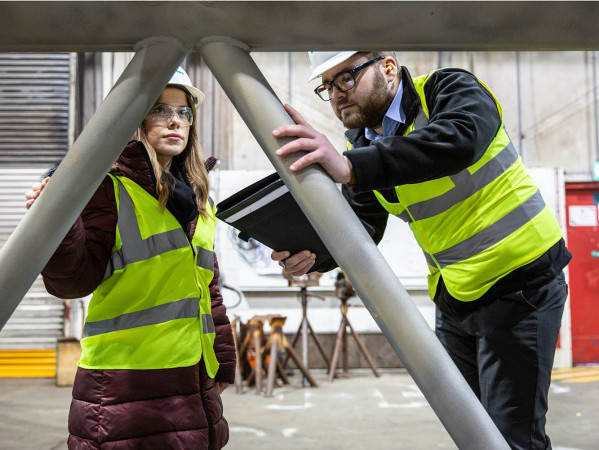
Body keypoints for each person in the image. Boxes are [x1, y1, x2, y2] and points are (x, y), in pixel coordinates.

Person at [271, 51, 572, 449]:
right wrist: (312, 255)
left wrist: (352, 167)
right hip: (457, 299)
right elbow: (361, 226)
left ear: (389, 67)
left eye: (345, 78)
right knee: (473, 434)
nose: (337, 94)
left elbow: (459, 140)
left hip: (520, 284)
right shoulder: (365, 143)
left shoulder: (450, 89)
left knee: (513, 439)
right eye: (327, 87)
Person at [26, 67, 236, 449]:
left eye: (184, 112)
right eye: (160, 109)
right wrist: (58, 223)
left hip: (193, 380)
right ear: (134, 119)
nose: (175, 120)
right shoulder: (107, 189)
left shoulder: (202, 201)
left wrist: (222, 358)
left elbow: (208, 288)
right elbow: (72, 281)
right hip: (126, 384)